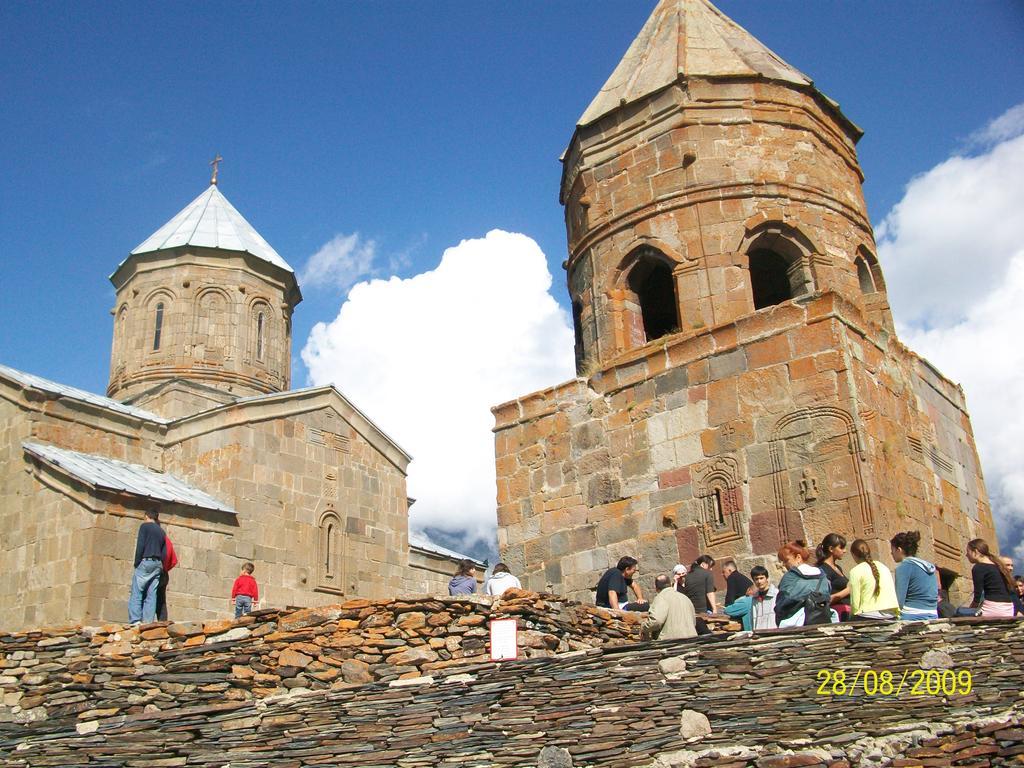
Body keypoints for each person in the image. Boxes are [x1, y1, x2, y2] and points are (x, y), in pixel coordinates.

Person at [774, 541, 833, 627]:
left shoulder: (790, 577)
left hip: (797, 625)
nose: (784, 565)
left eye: (786, 560)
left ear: (798, 557)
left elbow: (782, 604)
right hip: (822, 620)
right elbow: (827, 596)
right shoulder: (823, 576)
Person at [128, 508, 166, 624]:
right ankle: (148, 622)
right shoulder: (161, 531)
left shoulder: (144, 527)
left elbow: (140, 545)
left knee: (137, 590)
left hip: (146, 561)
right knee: (151, 593)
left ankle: (135, 620)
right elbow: (164, 551)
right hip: (158, 564)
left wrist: (137, 562)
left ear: (146, 516)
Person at [890, 530, 938, 621]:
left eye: (892, 550)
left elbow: (899, 601)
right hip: (932, 613)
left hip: (912, 614)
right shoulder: (928, 566)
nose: (891, 553)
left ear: (899, 550)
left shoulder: (904, 567)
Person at [848, 539, 899, 620]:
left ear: (853, 555)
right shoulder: (883, 567)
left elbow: (855, 603)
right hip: (891, 614)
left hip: (868, 615)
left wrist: (851, 617)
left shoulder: (855, 571)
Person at [965, 539, 1016, 618]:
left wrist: (969, 611)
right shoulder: (998, 566)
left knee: (960, 613)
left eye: (968, 552)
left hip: (993, 609)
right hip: (1009, 609)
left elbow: (977, 598)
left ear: (975, 551)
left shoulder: (978, 568)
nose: (966, 555)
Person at [642, 574, 698, 640]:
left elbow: (656, 621)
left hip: (672, 644)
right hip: (692, 641)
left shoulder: (661, 598)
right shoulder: (685, 598)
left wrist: (644, 627)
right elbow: (693, 621)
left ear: (656, 588)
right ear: (671, 584)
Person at [815, 533, 851, 622]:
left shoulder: (838, 568)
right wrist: (848, 590)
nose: (845, 551)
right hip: (838, 615)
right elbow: (824, 600)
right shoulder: (823, 570)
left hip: (847, 611)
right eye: (841, 548)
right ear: (831, 549)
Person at [156, 532, 179, 622]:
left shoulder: (156, 539)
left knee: (149, 597)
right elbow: (173, 561)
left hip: (157, 572)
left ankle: (146, 622)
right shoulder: (167, 540)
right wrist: (165, 568)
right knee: (161, 601)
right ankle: (162, 623)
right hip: (164, 573)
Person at [750, 565, 779, 630]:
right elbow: (753, 618)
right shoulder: (754, 599)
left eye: (761, 578)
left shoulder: (776, 594)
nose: (759, 581)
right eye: (756, 579)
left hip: (774, 633)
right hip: (759, 634)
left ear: (767, 578)